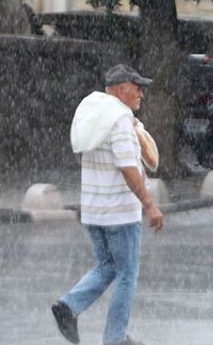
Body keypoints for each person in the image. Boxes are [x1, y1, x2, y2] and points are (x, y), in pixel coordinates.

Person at [51, 64, 165, 345]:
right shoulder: (120, 121)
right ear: (121, 88)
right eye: (137, 87)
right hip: (120, 213)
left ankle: (68, 306)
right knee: (127, 274)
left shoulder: (93, 115)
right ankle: (115, 338)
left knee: (107, 265)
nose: (141, 93)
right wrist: (150, 205)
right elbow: (128, 167)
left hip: (93, 210)